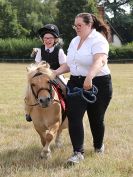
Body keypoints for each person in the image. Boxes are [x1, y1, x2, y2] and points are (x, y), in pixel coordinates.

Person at [54, 13, 113, 165]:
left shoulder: (98, 40)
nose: (76, 28)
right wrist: (54, 73)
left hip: (98, 83)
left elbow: (100, 61)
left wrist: (89, 77)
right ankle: (77, 153)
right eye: (75, 25)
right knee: (74, 116)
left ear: (89, 25)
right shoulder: (74, 41)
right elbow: (69, 64)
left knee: (96, 119)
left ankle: (98, 146)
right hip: (75, 82)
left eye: (79, 25)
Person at [25, 24, 67, 122]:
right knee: (30, 89)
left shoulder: (59, 51)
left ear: (55, 39)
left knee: (65, 88)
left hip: (56, 75)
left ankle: (68, 109)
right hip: (42, 77)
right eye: (45, 38)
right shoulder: (40, 50)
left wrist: (55, 72)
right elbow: (37, 65)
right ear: (43, 39)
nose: (47, 40)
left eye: (50, 38)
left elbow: (64, 65)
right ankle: (29, 112)